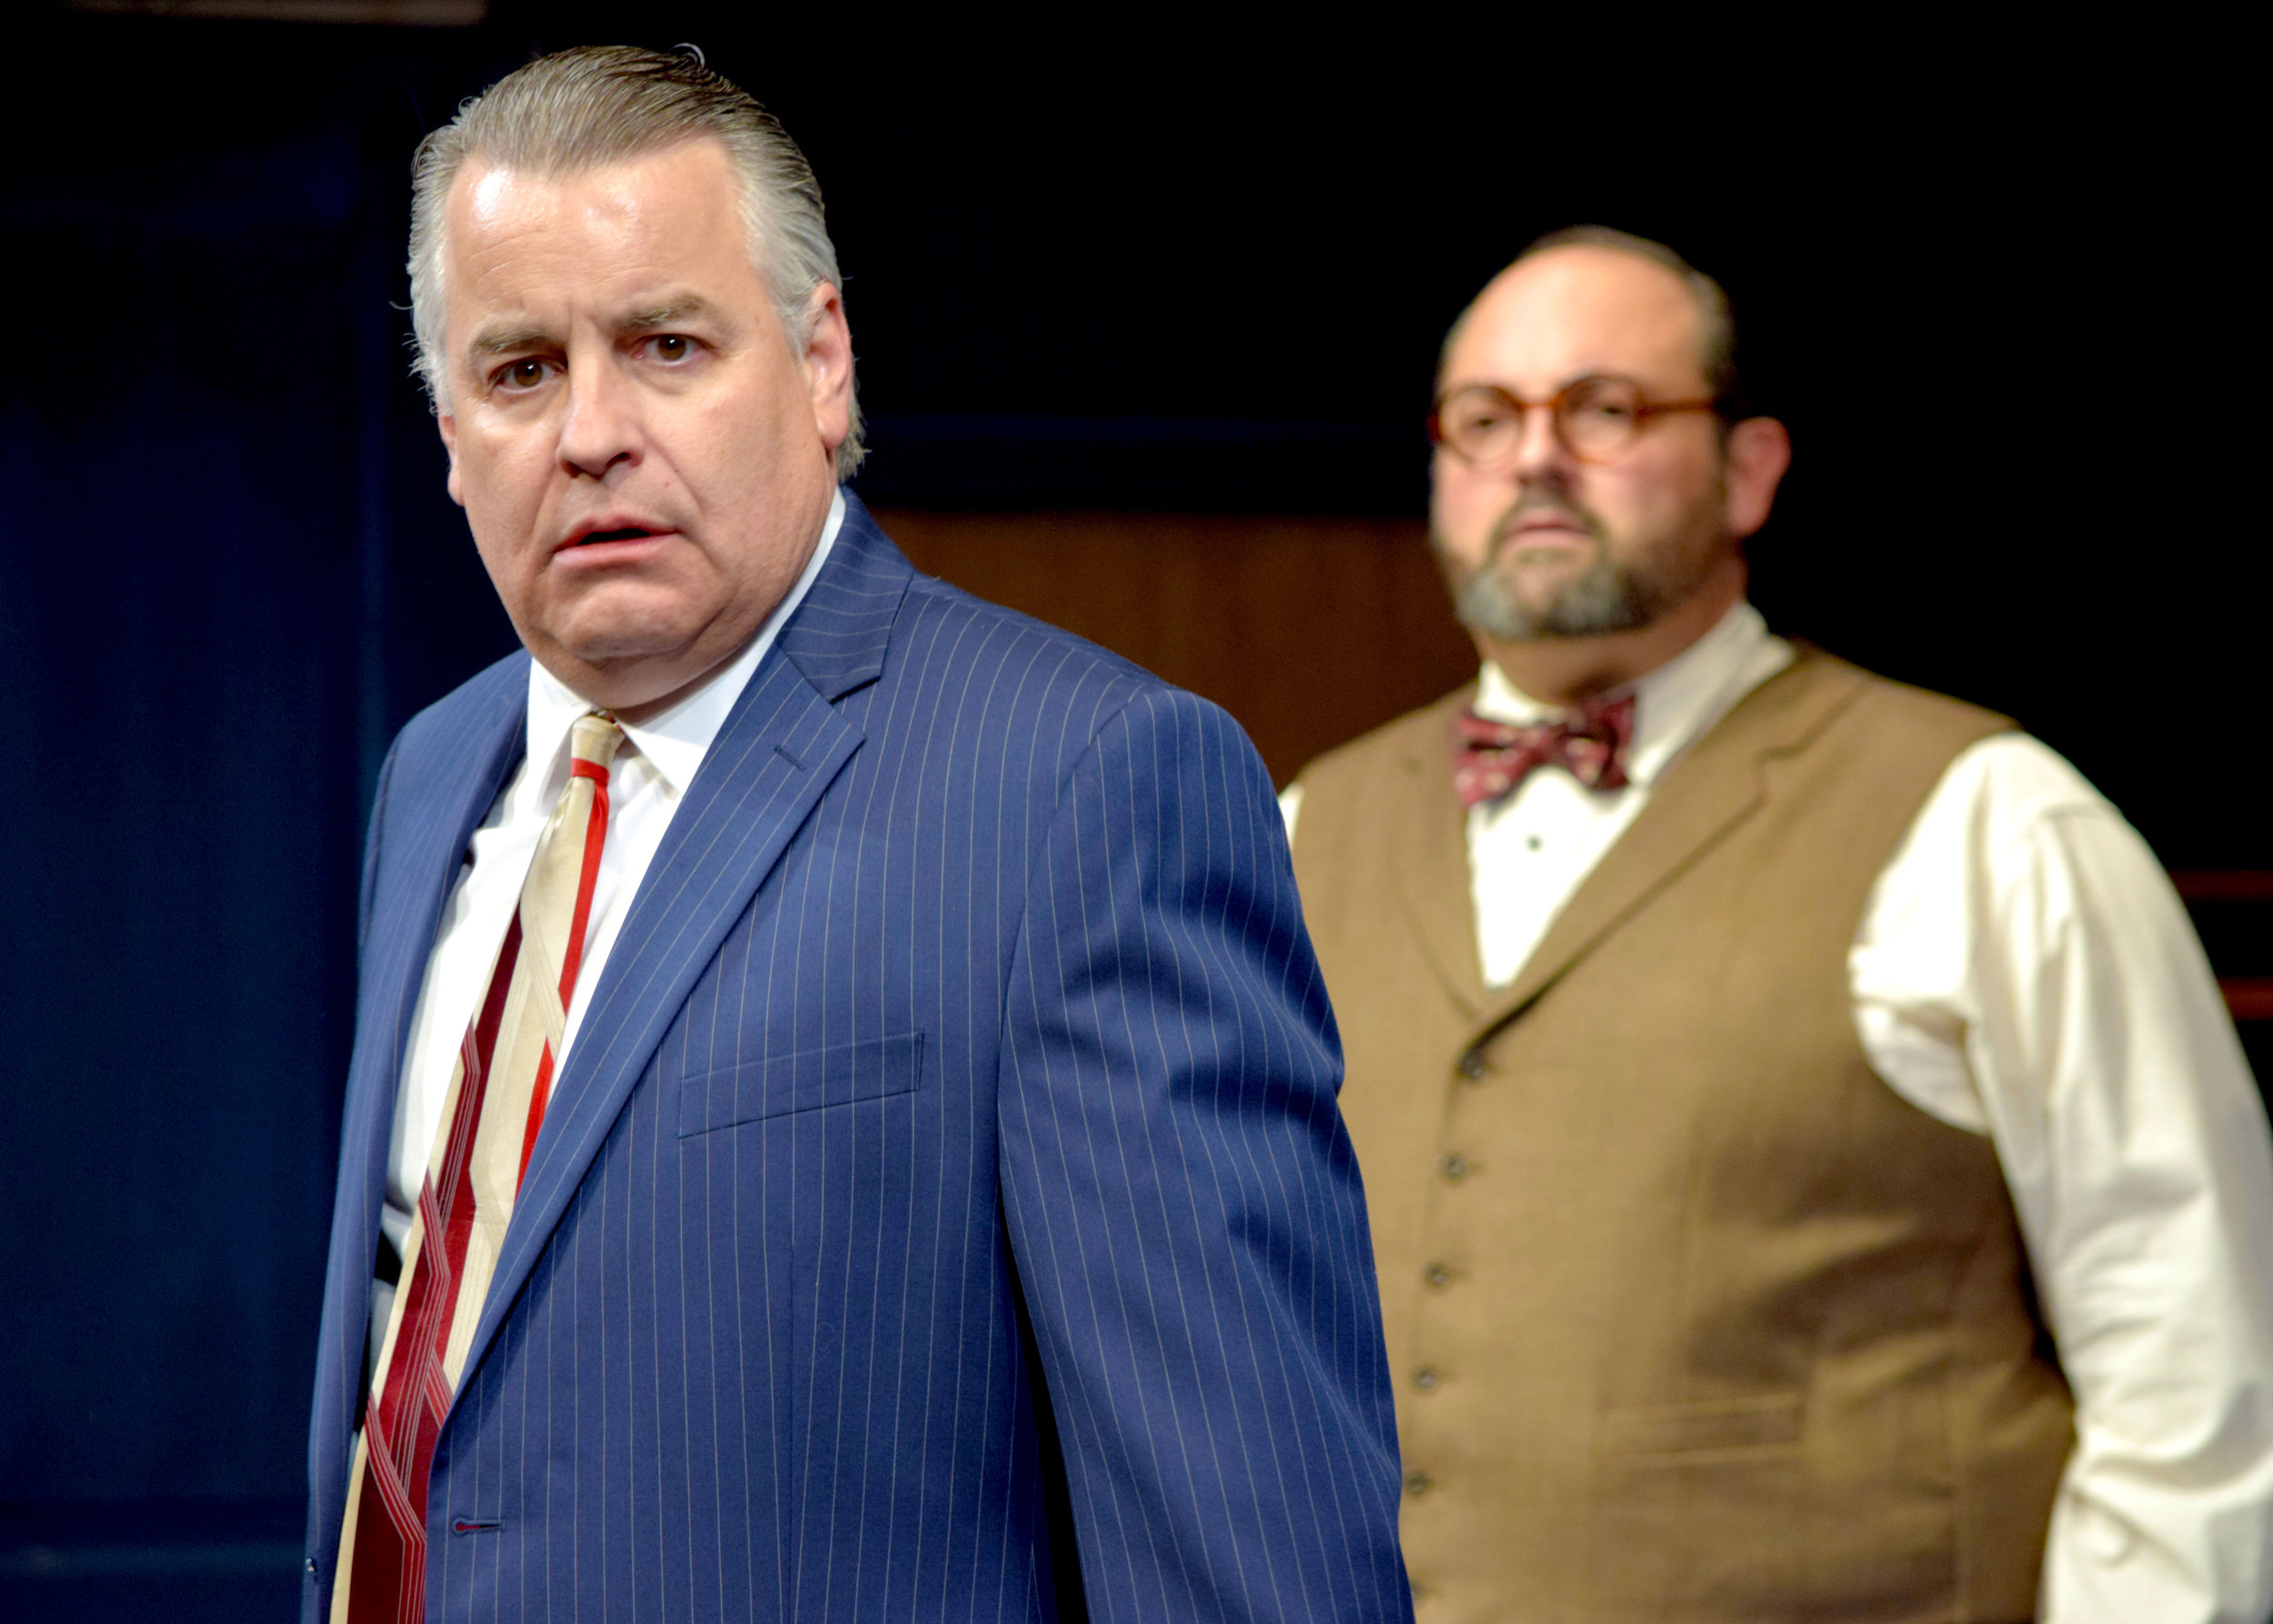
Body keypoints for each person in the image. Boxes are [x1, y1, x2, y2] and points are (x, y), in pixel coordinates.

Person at [300, 46, 1411, 1624]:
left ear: (824, 364)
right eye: (521, 371)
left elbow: (1252, 1563)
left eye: (666, 344)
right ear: (451, 433)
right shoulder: (431, 774)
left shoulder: (1086, 791)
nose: (592, 431)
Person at [1281, 227, 2273, 1623]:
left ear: (1750, 469)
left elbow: (2198, 1370)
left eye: (1607, 406)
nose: (1537, 458)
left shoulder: (1987, 818)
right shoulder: (1301, 825)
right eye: (1487, 418)